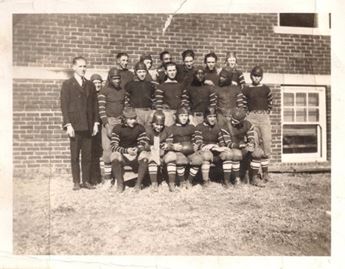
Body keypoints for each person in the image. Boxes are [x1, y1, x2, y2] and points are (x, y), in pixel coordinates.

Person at [60, 56, 99, 190]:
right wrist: (68, 124)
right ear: (74, 67)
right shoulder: (67, 84)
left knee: (87, 155)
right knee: (75, 155)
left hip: (88, 125)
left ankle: (86, 181)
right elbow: (64, 105)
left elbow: (95, 106)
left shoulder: (90, 85)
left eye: (85, 66)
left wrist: (95, 123)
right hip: (75, 126)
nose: (83, 69)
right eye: (80, 66)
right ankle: (76, 181)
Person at [242, 66, 273, 182]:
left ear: (261, 77)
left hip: (264, 116)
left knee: (266, 143)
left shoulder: (266, 89)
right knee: (253, 144)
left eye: (259, 76)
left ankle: (265, 173)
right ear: (251, 76)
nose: (256, 78)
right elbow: (243, 104)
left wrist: (265, 113)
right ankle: (254, 175)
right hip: (252, 117)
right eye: (254, 75)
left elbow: (270, 102)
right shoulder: (246, 89)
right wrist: (248, 115)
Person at [98, 68, 126, 187]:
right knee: (107, 150)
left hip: (119, 121)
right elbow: (101, 109)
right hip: (108, 122)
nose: (116, 80)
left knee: (118, 149)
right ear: (110, 78)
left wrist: (123, 120)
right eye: (114, 78)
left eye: (118, 78)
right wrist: (106, 123)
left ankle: (117, 177)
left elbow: (125, 106)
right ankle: (108, 179)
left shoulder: (122, 91)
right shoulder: (104, 91)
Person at [110, 108, 150, 192]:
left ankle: (138, 184)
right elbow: (113, 146)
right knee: (114, 156)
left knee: (145, 155)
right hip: (123, 154)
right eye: (130, 119)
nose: (133, 121)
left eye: (134, 118)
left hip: (136, 155)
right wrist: (126, 151)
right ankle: (120, 184)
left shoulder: (140, 128)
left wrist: (137, 149)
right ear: (124, 119)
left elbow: (143, 143)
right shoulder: (117, 128)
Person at [193, 107, 233, 188]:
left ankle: (226, 181)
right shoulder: (199, 127)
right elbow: (199, 143)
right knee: (206, 155)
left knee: (228, 153)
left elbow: (222, 142)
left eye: (214, 116)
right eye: (210, 117)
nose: (212, 119)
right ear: (205, 117)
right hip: (203, 151)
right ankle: (205, 180)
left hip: (215, 150)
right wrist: (210, 146)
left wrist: (220, 147)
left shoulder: (218, 127)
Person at [164, 106, 202, 191]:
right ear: (177, 116)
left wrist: (197, 144)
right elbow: (168, 141)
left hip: (190, 150)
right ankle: (182, 181)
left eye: (186, 115)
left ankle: (189, 181)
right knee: (180, 160)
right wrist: (173, 146)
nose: (184, 118)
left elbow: (197, 137)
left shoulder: (191, 127)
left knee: (198, 160)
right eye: (182, 115)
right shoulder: (171, 128)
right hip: (179, 151)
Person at [224, 108, 258, 186]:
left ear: (242, 121)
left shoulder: (247, 124)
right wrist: (239, 145)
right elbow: (227, 143)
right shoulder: (226, 126)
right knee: (236, 154)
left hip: (243, 146)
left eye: (235, 121)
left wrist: (251, 143)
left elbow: (251, 137)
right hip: (232, 148)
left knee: (257, 153)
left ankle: (254, 178)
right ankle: (237, 179)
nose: (233, 122)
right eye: (232, 119)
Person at [145, 111, 177, 192]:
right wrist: (151, 147)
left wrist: (167, 145)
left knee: (172, 156)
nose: (159, 127)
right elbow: (144, 145)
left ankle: (171, 183)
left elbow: (170, 142)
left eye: (161, 125)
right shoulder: (148, 130)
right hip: (152, 152)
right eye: (157, 124)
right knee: (152, 158)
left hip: (163, 153)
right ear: (152, 123)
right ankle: (154, 184)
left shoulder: (167, 129)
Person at [125, 62, 156, 129]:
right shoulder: (130, 84)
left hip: (148, 111)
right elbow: (126, 98)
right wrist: (131, 112)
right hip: (136, 112)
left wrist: (153, 111)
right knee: (138, 131)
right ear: (136, 72)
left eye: (143, 72)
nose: (142, 74)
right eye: (139, 72)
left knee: (148, 131)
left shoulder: (150, 84)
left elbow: (154, 99)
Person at [155, 62, 185, 126]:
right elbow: (158, 104)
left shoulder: (181, 86)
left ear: (176, 71)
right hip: (167, 115)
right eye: (170, 70)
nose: (172, 73)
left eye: (174, 70)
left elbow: (184, 101)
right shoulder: (161, 86)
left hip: (179, 114)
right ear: (166, 72)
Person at [90, 73, 103, 185]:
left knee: (102, 150)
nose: (98, 85)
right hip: (93, 126)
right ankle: (94, 177)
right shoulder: (89, 95)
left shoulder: (103, 95)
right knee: (93, 151)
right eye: (95, 83)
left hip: (102, 125)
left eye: (99, 83)